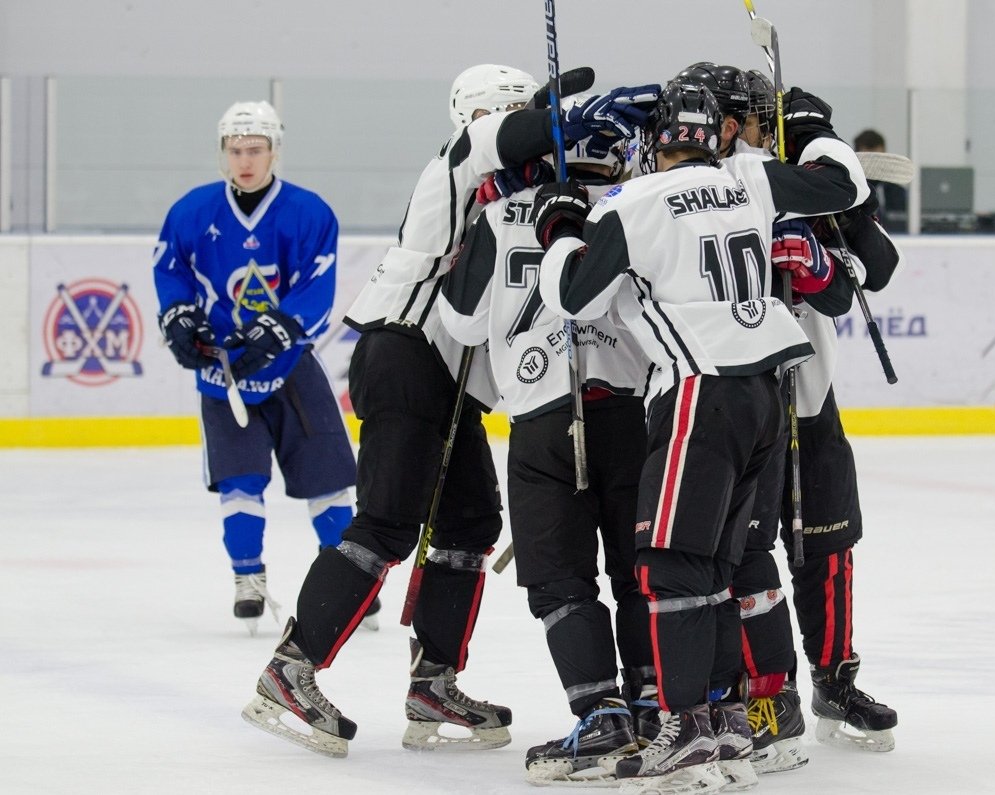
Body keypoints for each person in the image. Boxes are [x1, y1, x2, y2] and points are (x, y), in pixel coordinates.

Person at [240, 65, 658, 759]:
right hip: (404, 354)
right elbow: (513, 141)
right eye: (522, 112)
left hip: (447, 377)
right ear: (488, 112)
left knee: (470, 520)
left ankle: (433, 680)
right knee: (388, 521)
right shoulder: (458, 160)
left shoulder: (509, 184)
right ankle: (291, 667)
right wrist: (576, 117)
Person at [533, 80, 866, 794]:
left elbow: (570, 298)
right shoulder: (749, 178)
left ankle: (685, 727)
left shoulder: (634, 203)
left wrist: (560, 226)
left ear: (655, 143)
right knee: (719, 564)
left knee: (672, 564)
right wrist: (807, 127)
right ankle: (728, 723)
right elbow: (844, 184)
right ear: (718, 135)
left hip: (698, 391)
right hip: (766, 397)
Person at [439, 113, 657, 785]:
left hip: (540, 419)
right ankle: (655, 703)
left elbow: (461, 320)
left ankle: (600, 712)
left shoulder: (502, 213)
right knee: (637, 568)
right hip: (625, 413)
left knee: (561, 580)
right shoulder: (635, 209)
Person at [153, 100, 360, 637]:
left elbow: (318, 286)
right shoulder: (192, 211)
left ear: (274, 151)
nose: (246, 160)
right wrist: (178, 317)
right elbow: (170, 270)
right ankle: (248, 577)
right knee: (239, 482)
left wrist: (281, 328)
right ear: (223, 152)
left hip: (291, 369)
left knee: (329, 480)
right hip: (225, 373)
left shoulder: (309, 212)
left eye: (256, 149)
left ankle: (346, 583)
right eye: (236, 149)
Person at [738, 89, 902, 758]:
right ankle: (748, 690)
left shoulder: (817, 184)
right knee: (737, 551)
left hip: (807, 389)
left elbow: (879, 266)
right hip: (732, 390)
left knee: (828, 538)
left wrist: (833, 167)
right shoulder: (723, 179)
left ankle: (835, 678)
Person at [853, 128, 908, 234]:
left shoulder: (897, 192)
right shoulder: (851, 191)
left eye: (878, 157)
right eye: (870, 158)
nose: (874, 163)